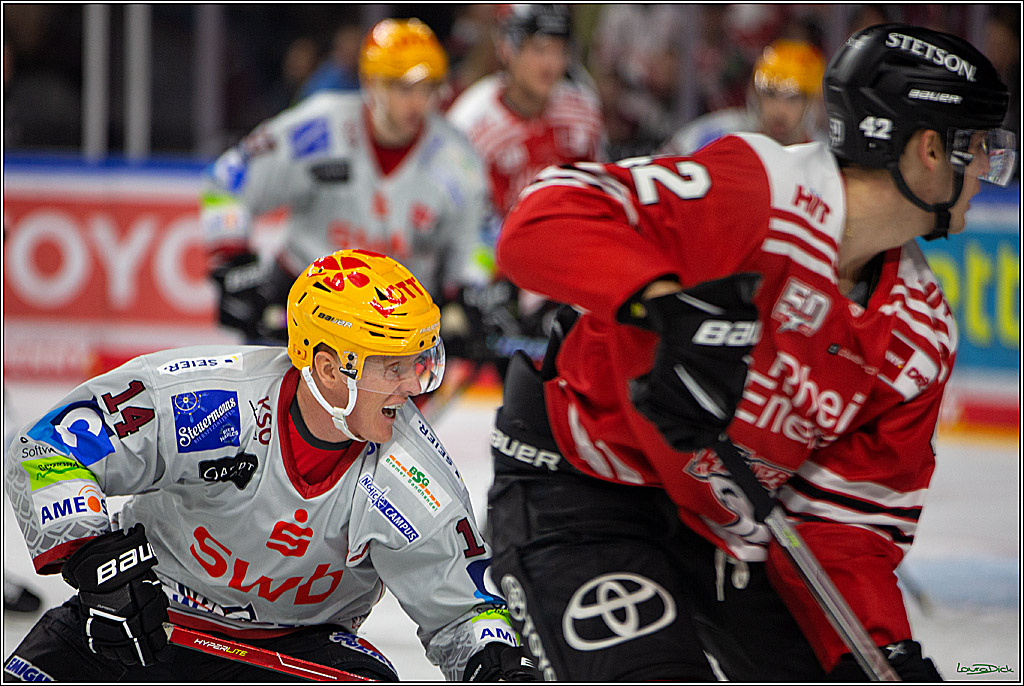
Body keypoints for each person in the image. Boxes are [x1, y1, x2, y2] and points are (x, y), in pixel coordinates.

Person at [486, 23, 1014, 681]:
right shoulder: (757, 191)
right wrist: (663, 303)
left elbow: (845, 530)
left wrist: (878, 651)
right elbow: (542, 220)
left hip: (726, 531)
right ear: (930, 149)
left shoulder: (920, 334)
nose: (989, 173)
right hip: (586, 484)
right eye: (981, 147)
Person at [3, 249, 536, 682]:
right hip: (144, 622)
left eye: (420, 363)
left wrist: (498, 665)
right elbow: (46, 449)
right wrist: (96, 559)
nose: (413, 387)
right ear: (327, 368)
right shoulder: (207, 400)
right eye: (392, 366)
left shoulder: (414, 479)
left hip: (293, 656)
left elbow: (464, 610)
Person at [200, 18, 489, 345]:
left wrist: (466, 290)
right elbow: (228, 179)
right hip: (302, 304)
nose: (418, 103)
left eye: (429, 88)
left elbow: (476, 236)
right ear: (370, 83)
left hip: (398, 321)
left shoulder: (456, 157)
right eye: (402, 87)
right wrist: (234, 261)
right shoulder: (319, 129)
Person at [445, 4, 605, 368]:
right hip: (493, 268)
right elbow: (457, 224)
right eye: (538, 49)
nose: (550, 64)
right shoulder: (471, 122)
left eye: (559, 50)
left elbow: (596, 198)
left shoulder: (582, 107)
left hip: (566, 268)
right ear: (507, 49)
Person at [660, 38, 826, 155]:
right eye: (770, 94)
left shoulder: (827, 158)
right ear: (755, 94)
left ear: (812, 103)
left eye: (793, 98)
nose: (779, 110)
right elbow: (661, 165)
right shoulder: (718, 134)